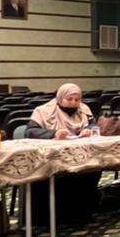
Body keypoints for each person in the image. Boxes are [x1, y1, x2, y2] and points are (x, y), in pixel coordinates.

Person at [26, 83, 101, 227]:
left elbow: (93, 125)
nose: (73, 103)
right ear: (60, 98)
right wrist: (53, 134)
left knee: (94, 167)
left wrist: (88, 130)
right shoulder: (44, 111)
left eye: (77, 100)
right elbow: (30, 131)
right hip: (52, 158)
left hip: (80, 155)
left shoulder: (83, 110)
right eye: (69, 99)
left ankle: (81, 213)